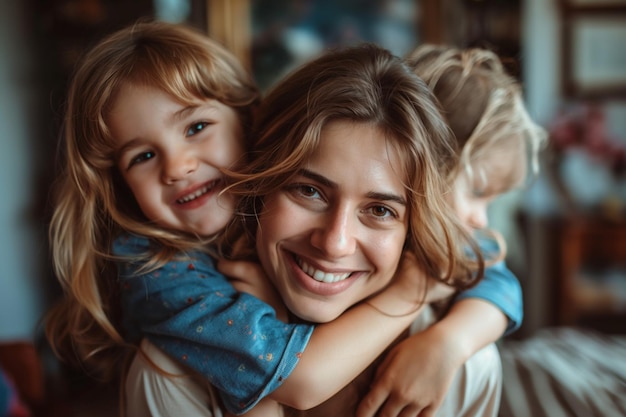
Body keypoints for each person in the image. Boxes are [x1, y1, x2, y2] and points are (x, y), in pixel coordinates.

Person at [44, 22, 474, 417]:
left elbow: (482, 259)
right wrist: (409, 292)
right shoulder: (159, 272)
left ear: (249, 120)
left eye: (196, 128)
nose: (176, 167)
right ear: (120, 184)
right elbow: (301, 383)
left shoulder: (257, 207)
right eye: (143, 156)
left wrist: (455, 338)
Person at [354, 44, 548, 417]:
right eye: (476, 193)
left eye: (490, 201)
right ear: (426, 162)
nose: (481, 220)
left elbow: (502, 287)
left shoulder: (456, 247)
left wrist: (449, 342)